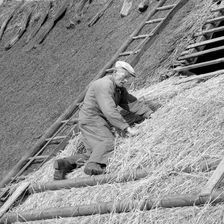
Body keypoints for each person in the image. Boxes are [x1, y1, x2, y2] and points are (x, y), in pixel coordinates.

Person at [53, 61, 153, 180]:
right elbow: (109, 110)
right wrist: (127, 128)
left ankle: (64, 164)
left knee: (95, 153)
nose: (126, 81)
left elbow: (131, 103)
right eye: (124, 77)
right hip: (92, 119)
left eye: (128, 78)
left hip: (91, 120)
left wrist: (149, 113)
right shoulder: (104, 85)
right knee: (108, 142)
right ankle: (93, 166)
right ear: (115, 72)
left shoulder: (119, 89)